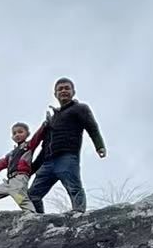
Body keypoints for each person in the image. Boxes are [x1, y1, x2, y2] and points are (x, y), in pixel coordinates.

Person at [27, 79, 107, 216]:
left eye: (67, 88)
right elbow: (45, 145)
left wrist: (99, 146)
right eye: (60, 89)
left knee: (74, 189)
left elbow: (92, 127)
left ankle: (79, 216)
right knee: (32, 195)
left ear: (73, 92)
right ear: (55, 94)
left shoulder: (80, 108)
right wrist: (31, 169)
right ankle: (39, 220)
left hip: (67, 158)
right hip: (47, 163)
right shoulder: (51, 119)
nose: (63, 91)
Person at [0, 120, 43, 214]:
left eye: (20, 132)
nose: (17, 135)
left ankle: (31, 213)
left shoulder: (27, 146)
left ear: (27, 134)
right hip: (9, 181)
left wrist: (44, 125)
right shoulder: (11, 154)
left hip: (20, 177)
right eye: (14, 133)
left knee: (19, 195)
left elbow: (37, 137)